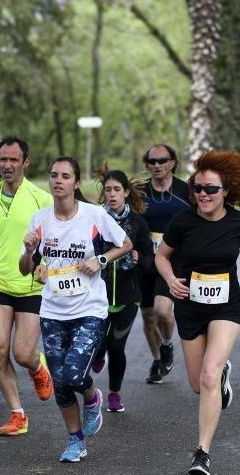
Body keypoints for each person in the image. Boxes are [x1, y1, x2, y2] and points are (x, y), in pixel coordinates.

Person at [155, 150, 240, 475]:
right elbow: (161, 256)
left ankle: (202, 453)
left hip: (227, 306)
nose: (203, 194)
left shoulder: (239, 222)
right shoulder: (182, 221)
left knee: (208, 375)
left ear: (225, 191)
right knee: (198, 385)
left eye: (211, 189)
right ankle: (222, 373)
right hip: (190, 307)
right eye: (198, 188)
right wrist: (171, 280)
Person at [20, 157, 132, 462]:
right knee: (60, 384)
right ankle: (75, 440)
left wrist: (102, 260)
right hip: (53, 311)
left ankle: (93, 397)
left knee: (72, 373)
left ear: (76, 183)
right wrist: (32, 257)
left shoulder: (94, 215)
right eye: (53, 175)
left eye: (65, 176)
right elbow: (25, 269)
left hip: (89, 309)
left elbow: (125, 243)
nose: (58, 181)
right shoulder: (40, 219)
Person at [0, 136, 54, 436]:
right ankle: (18, 414)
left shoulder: (41, 199)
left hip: (31, 286)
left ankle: (36, 366)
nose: (5, 165)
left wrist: (45, 265)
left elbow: (52, 241)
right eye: (2, 159)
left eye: (12, 160)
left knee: (22, 353)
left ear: (25, 163)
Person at [90, 169, 153, 413]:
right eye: (108, 190)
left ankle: (114, 393)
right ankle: (98, 352)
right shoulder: (95, 219)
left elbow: (149, 257)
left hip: (128, 295)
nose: (112, 194)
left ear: (126, 192)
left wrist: (140, 257)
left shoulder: (138, 222)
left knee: (117, 347)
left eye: (117, 189)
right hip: (98, 295)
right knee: (98, 344)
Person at [138, 144, 190, 384]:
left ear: (172, 163)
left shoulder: (186, 191)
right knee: (148, 317)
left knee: (162, 311)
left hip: (173, 261)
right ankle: (158, 361)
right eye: (152, 161)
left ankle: (167, 345)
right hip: (145, 261)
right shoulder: (138, 191)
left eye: (162, 161)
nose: (156, 165)